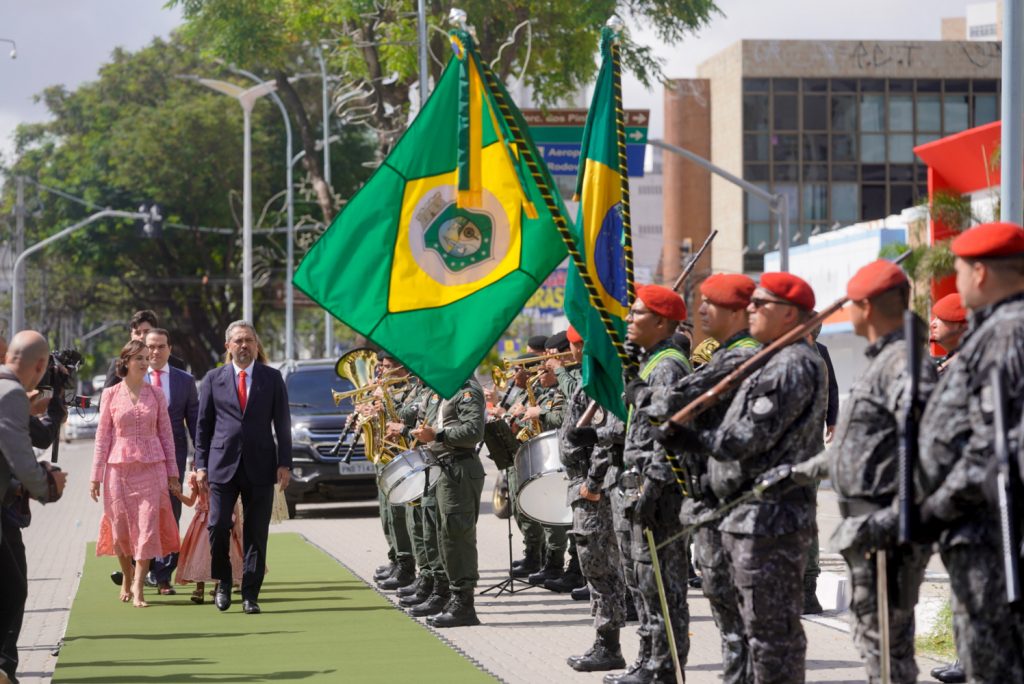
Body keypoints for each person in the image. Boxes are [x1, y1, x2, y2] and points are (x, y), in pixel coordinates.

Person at [662, 272, 827, 683]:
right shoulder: (776, 356)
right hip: (751, 515)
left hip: (771, 517)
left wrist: (692, 437)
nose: (750, 309)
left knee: (771, 637)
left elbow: (746, 438)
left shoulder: (791, 363)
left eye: (761, 304)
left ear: (789, 314)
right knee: (755, 632)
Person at [787, 260, 937, 683]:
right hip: (868, 528)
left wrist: (898, 519)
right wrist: (792, 474)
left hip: (886, 528)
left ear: (867, 307)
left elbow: (925, 447)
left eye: (851, 305)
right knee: (876, 644)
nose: (847, 313)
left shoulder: (903, 364)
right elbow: (858, 446)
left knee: (888, 649)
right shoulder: (884, 361)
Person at [914, 222, 1024, 682]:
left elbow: (993, 440)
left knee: (995, 667)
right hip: (979, 525)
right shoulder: (996, 330)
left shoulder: (1006, 332)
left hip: (990, 527)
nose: (955, 282)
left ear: (979, 273)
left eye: (957, 271)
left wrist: (937, 504)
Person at [641, 273, 761, 684]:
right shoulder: (728, 354)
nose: (703, 311)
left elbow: (672, 401)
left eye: (715, 304)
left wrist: (643, 396)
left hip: (733, 501)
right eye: (702, 303)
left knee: (740, 616)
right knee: (726, 611)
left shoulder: (740, 357)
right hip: (714, 497)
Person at [609, 283, 692, 684]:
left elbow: (667, 433)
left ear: (660, 321)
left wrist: (653, 488)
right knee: (643, 581)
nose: (628, 319)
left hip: (658, 491)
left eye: (637, 313)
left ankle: (664, 666)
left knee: (662, 584)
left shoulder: (667, 366)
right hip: (641, 485)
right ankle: (649, 659)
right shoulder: (651, 361)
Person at [194, 320, 291, 615]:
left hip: (261, 465)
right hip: (222, 464)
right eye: (238, 341)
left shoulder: (272, 378)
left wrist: (285, 463)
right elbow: (203, 426)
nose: (244, 346)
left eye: (249, 340)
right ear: (228, 346)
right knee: (218, 525)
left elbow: (283, 424)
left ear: (256, 344)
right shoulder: (213, 379)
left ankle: (250, 593)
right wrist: (200, 465)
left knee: (256, 532)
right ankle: (223, 582)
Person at [90, 339, 181, 608]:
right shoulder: (110, 394)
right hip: (118, 470)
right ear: (126, 362)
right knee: (120, 530)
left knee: (148, 526)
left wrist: (172, 474)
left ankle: (139, 584)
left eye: (146, 358)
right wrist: (95, 476)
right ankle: (127, 574)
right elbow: (102, 437)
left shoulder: (156, 395)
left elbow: (167, 436)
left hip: (152, 468)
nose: (144, 362)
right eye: (138, 358)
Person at [559, 325, 629, 672]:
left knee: (599, 565)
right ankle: (607, 641)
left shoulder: (601, 384)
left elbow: (604, 441)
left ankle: (608, 643)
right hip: (584, 486)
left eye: (576, 345)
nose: (572, 352)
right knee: (595, 564)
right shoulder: (590, 381)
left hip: (593, 490)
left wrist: (593, 482)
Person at [0, 331, 67, 684]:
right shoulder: (9, 391)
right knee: (12, 590)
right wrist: (47, 486)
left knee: (12, 587)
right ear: (41, 366)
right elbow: (22, 457)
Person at [410, 375, 486, 628]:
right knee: (438, 535)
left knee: (457, 537)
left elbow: (474, 431)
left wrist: (437, 435)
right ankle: (445, 593)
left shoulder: (466, 389)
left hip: (458, 468)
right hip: (439, 468)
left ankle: (464, 604)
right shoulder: (440, 389)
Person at [923, 291, 969, 684]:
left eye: (941, 318)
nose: (933, 323)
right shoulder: (948, 364)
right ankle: (966, 657)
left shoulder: (969, 366)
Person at [145, 328, 199, 595]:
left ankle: (164, 573)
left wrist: (198, 458)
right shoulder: (132, 378)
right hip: (139, 457)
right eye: (151, 346)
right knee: (143, 513)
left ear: (169, 349)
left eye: (161, 347)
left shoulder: (184, 381)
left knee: (170, 512)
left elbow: (195, 423)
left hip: (173, 456)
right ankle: (142, 570)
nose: (155, 352)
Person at [174, 471, 245, 604]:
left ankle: (219, 587)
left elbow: (232, 501)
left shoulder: (223, 473)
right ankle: (199, 588)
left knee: (221, 550)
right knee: (199, 554)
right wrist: (178, 494)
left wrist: (237, 523)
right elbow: (190, 502)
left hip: (221, 517)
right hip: (202, 521)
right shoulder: (196, 477)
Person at [103, 310, 186, 389]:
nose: (142, 336)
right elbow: (105, 401)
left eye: (147, 331)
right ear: (131, 336)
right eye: (137, 333)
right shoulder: (120, 364)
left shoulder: (176, 364)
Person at [929, 292, 968, 375]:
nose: (932, 324)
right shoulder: (949, 361)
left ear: (960, 325)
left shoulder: (966, 364)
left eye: (939, 318)